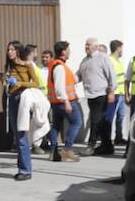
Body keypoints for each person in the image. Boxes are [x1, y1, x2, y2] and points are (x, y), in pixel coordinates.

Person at [6, 43, 41, 180]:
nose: (9, 52)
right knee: (17, 134)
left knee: (21, 135)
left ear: (18, 51)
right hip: (12, 98)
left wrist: (21, 84)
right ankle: (22, 168)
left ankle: (26, 170)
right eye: (8, 50)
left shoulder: (27, 65)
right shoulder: (10, 66)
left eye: (12, 49)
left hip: (23, 99)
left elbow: (36, 83)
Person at [77, 39, 116, 156]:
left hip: (101, 94)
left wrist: (111, 91)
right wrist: (68, 80)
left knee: (95, 120)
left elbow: (111, 75)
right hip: (90, 94)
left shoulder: (102, 58)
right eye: (85, 45)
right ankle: (107, 146)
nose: (86, 47)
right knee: (102, 121)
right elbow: (78, 75)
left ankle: (91, 145)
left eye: (88, 45)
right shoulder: (85, 61)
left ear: (95, 46)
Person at [47, 41, 82, 162]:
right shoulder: (60, 67)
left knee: (56, 126)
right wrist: (66, 102)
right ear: (63, 52)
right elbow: (60, 87)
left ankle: (53, 152)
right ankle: (67, 149)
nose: (70, 52)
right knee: (76, 122)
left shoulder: (55, 65)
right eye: (68, 50)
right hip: (65, 102)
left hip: (56, 103)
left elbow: (69, 81)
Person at [108, 40, 128, 147]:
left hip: (120, 94)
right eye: (122, 48)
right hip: (114, 94)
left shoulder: (118, 61)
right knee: (110, 117)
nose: (122, 51)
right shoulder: (110, 61)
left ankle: (118, 137)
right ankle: (107, 139)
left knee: (121, 116)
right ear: (118, 48)